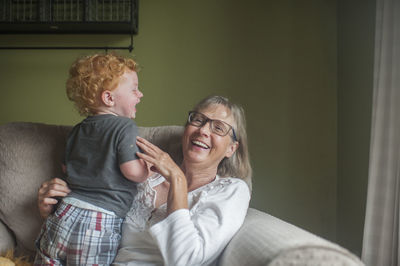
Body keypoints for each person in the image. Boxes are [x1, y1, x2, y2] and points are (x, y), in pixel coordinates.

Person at [38, 95, 252, 265]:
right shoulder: (143, 174)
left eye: (218, 128)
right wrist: (53, 210)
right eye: (198, 120)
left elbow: (185, 260)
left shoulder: (232, 191)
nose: (203, 130)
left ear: (232, 148)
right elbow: (95, 225)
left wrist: (177, 178)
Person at [34, 53, 149, 265]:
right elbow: (132, 172)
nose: (140, 94)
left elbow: (65, 167)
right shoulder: (125, 127)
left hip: (64, 212)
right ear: (109, 98)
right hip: (99, 221)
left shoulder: (77, 130)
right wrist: (148, 168)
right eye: (134, 89)